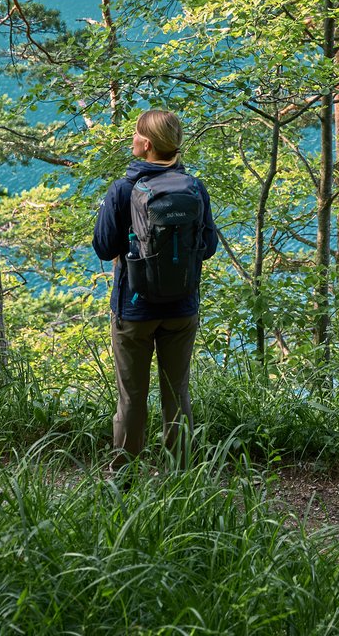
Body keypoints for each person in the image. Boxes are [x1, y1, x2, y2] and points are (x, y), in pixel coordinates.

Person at [93, 109, 218, 471]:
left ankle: (124, 477)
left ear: (146, 145)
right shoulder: (194, 188)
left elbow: (103, 247)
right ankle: (180, 477)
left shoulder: (123, 189)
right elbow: (208, 247)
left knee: (131, 398)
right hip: (182, 309)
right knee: (177, 394)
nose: (132, 138)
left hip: (134, 310)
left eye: (135, 134)